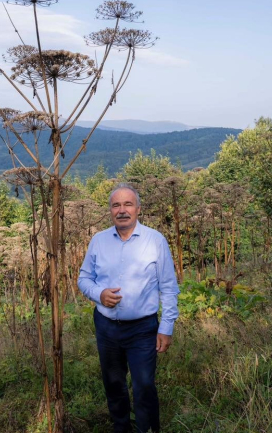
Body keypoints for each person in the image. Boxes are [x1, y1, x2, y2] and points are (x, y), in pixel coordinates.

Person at [78, 183, 180, 433]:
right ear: (110, 211)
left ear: (138, 209)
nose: (122, 210)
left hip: (142, 329)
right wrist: (99, 294)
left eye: (127, 204)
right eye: (116, 205)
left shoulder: (155, 241)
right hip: (107, 327)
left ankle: (148, 429)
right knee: (113, 384)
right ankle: (121, 428)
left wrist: (166, 328)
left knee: (144, 385)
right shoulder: (99, 241)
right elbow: (83, 279)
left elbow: (168, 287)